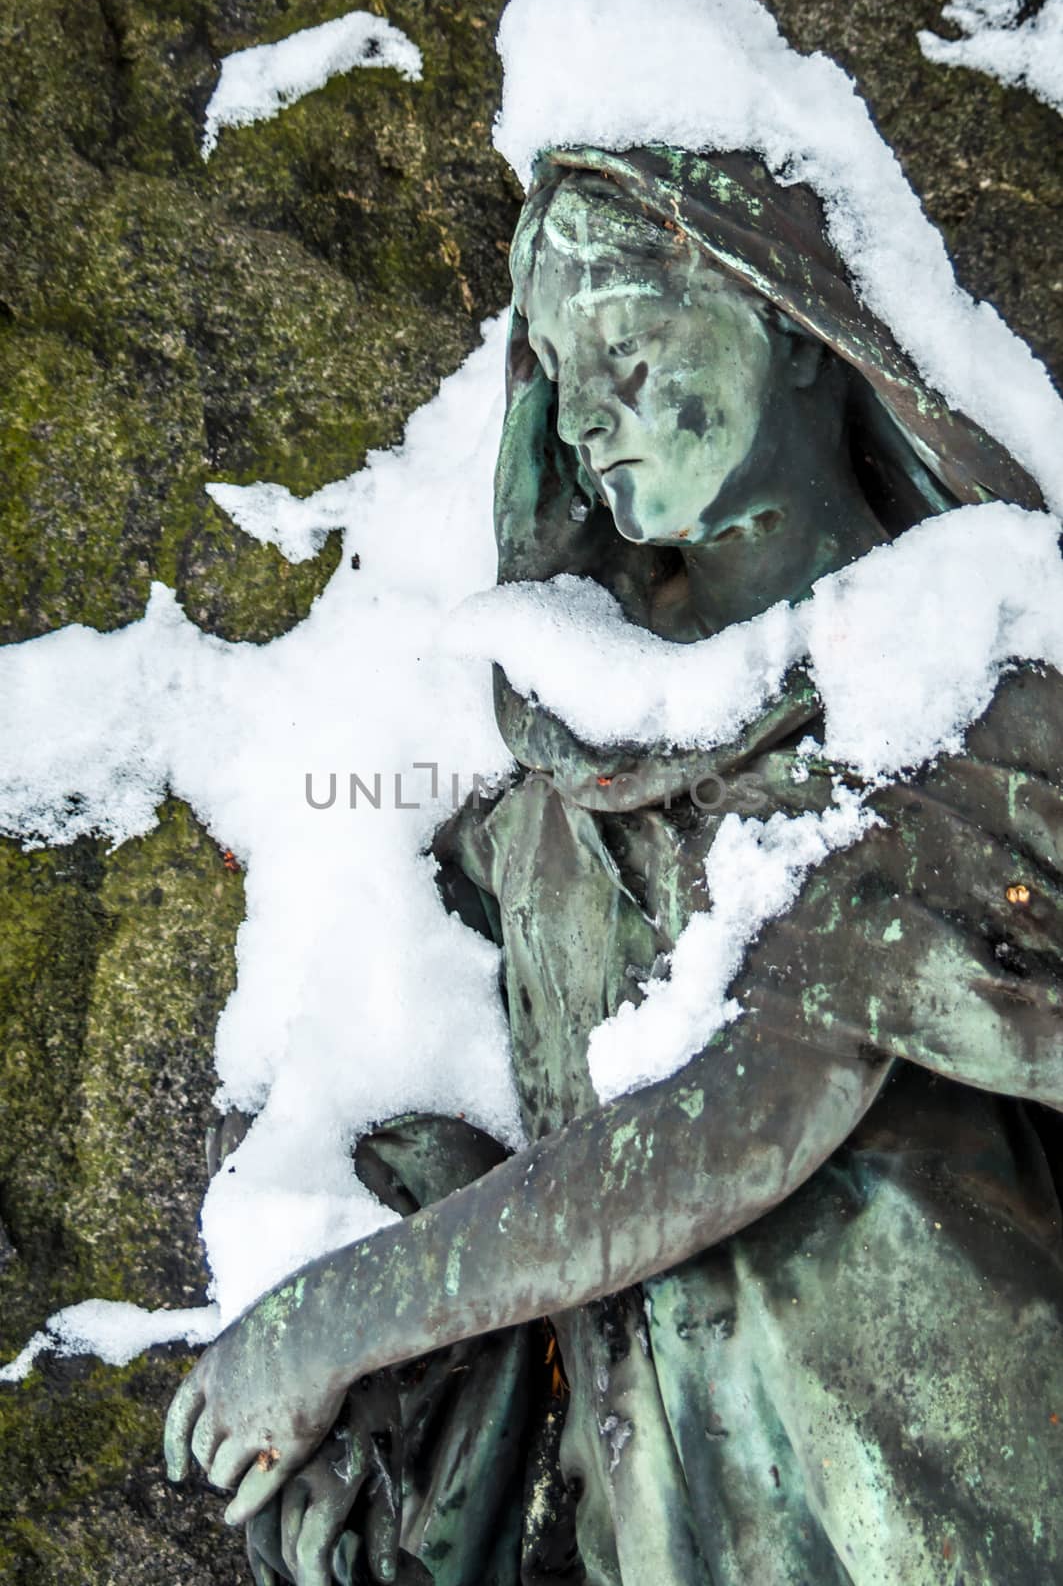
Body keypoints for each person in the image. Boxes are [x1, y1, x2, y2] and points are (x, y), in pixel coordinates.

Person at [166, 148, 1063, 1586]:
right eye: (558, 365)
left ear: (789, 319)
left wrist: (343, 1317)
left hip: (950, 1468)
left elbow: (744, 1110)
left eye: (627, 337)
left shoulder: (956, 685)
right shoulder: (549, 798)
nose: (589, 410)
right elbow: (500, 1110)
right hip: (682, 1496)